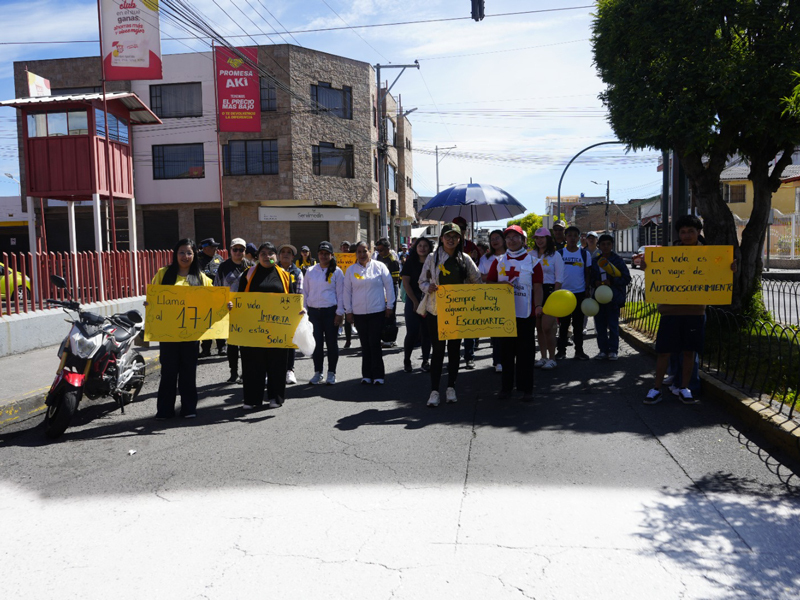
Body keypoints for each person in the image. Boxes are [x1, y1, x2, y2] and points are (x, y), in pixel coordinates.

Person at [644, 215, 736, 405]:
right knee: (663, 352)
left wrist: (729, 268)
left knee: (689, 351)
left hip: (695, 312)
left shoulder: (711, 255)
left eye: (691, 231)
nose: (686, 235)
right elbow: (654, 271)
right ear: (679, 233)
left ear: (698, 232)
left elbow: (720, 274)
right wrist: (648, 266)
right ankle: (656, 388)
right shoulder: (667, 254)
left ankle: (684, 388)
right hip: (669, 311)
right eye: (683, 232)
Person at [418, 223, 482, 407]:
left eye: (455, 235)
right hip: (435, 310)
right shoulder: (432, 257)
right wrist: (427, 287)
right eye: (447, 235)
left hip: (457, 312)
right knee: (437, 351)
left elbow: (476, 281)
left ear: (460, 238)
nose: (451, 239)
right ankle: (434, 391)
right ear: (441, 238)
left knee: (454, 351)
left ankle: (451, 387)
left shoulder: (466, 259)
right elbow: (421, 281)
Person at [149, 238, 213, 420]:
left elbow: (214, 302)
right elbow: (153, 298)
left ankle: (188, 408)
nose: (185, 256)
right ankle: (164, 410)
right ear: (175, 254)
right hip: (168, 334)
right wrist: (149, 303)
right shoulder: (163, 274)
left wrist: (227, 305)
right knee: (168, 373)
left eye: (189, 253)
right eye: (182, 252)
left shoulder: (202, 278)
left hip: (191, 335)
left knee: (188, 373)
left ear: (195, 255)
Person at [486, 225, 544, 401]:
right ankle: (506, 388)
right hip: (505, 315)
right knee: (506, 353)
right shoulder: (498, 261)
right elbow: (489, 283)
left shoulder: (534, 262)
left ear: (523, 240)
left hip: (526, 314)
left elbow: (538, 286)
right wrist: (500, 286)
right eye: (508, 237)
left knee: (526, 353)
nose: (511, 240)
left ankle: (527, 389)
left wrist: (539, 306)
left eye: (515, 237)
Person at [235, 242, 294, 409]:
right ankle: (252, 399)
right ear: (257, 256)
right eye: (263, 253)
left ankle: (276, 397)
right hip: (252, 329)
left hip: (277, 329)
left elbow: (293, 299)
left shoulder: (285, 275)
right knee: (252, 363)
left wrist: (299, 312)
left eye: (270, 253)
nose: (267, 256)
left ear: (276, 257)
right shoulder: (249, 274)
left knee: (277, 362)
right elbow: (239, 298)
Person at [343, 241, 395, 385]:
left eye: (364, 251)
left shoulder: (380, 267)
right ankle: (366, 375)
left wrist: (389, 305)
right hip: (359, 313)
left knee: (374, 344)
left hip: (377, 311)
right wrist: (348, 311)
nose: (361, 254)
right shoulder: (351, 270)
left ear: (370, 252)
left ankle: (378, 375)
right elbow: (346, 292)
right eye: (359, 252)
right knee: (365, 345)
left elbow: (389, 286)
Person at [303, 241, 344, 385]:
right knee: (317, 344)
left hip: (330, 312)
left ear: (331, 256)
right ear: (317, 255)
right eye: (321, 253)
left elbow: (341, 294)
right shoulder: (310, 271)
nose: (323, 256)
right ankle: (318, 372)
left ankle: (331, 373)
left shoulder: (337, 272)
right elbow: (305, 293)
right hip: (314, 313)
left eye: (327, 254)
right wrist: (305, 311)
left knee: (332, 344)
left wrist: (340, 313)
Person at [214, 237, 252, 383]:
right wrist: (222, 304)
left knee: (246, 345)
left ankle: (245, 372)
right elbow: (217, 288)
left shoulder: (250, 266)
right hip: (229, 311)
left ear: (245, 251)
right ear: (230, 250)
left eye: (241, 249)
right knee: (232, 344)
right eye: (235, 249)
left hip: (247, 311)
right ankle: (233, 372)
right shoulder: (223, 267)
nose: (238, 252)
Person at [589, 233, 631, 361]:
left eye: (608, 244)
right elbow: (590, 278)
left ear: (612, 245)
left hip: (613, 298)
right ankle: (602, 350)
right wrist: (594, 282)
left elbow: (626, 278)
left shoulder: (618, 260)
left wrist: (612, 282)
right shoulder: (596, 261)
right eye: (603, 244)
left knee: (613, 325)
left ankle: (613, 350)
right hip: (599, 297)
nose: (606, 247)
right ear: (599, 246)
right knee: (600, 325)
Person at [530, 227, 564, 369]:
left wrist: (554, 297)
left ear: (548, 239)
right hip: (535, 292)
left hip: (550, 292)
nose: (539, 240)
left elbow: (559, 278)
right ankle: (543, 357)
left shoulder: (555, 255)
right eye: (537, 238)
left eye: (542, 237)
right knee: (538, 327)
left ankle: (552, 358)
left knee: (547, 327)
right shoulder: (531, 254)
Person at [556, 226, 591, 361]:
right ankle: (561, 352)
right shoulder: (559, 253)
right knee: (563, 325)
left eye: (575, 236)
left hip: (579, 293)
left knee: (578, 324)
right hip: (563, 294)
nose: (572, 238)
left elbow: (588, 272)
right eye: (569, 235)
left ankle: (579, 351)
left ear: (578, 238)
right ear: (565, 238)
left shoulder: (584, 254)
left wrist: (587, 288)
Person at [400, 237, 433, 373]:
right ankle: (407, 360)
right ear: (415, 247)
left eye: (425, 246)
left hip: (429, 301)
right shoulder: (410, 262)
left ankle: (425, 361)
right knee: (412, 332)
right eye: (420, 245)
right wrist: (415, 301)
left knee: (427, 333)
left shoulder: (433, 262)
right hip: (413, 300)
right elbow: (406, 283)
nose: (422, 248)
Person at [480, 229, 507, 371]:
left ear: (503, 239)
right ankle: (498, 361)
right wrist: (494, 277)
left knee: (508, 330)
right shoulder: (486, 258)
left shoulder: (511, 256)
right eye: (492, 239)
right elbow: (480, 277)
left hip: (510, 297)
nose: (495, 241)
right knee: (496, 331)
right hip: (491, 297)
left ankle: (509, 359)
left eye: (497, 237)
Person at [278, 244, 304, 385]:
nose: (286, 254)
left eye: (289, 252)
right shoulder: (272, 270)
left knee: (290, 343)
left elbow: (300, 293)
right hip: (274, 312)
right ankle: (273, 371)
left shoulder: (297, 272)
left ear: (293, 256)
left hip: (291, 314)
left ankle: (290, 370)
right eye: (283, 252)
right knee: (273, 343)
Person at [198, 237, 226, 358]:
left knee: (219, 321)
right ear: (205, 248)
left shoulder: (218, 258)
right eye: (212, 247)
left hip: (218, 295)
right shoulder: (196, 259)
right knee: (206, 323)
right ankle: (206, 349)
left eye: (216, 246)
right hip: (203, 296)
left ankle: (222, 347)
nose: (216, 249)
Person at [374, 238, 401, 348]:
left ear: (388, 249)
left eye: (382, 250)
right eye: (378, 250)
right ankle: (383, 337)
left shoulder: (392, 260)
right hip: (380, 289)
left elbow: (395, 279)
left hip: (390, 289)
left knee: (390, 314)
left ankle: (391, 339)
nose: (380, 252)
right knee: (382, 314)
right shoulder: (378, 257)